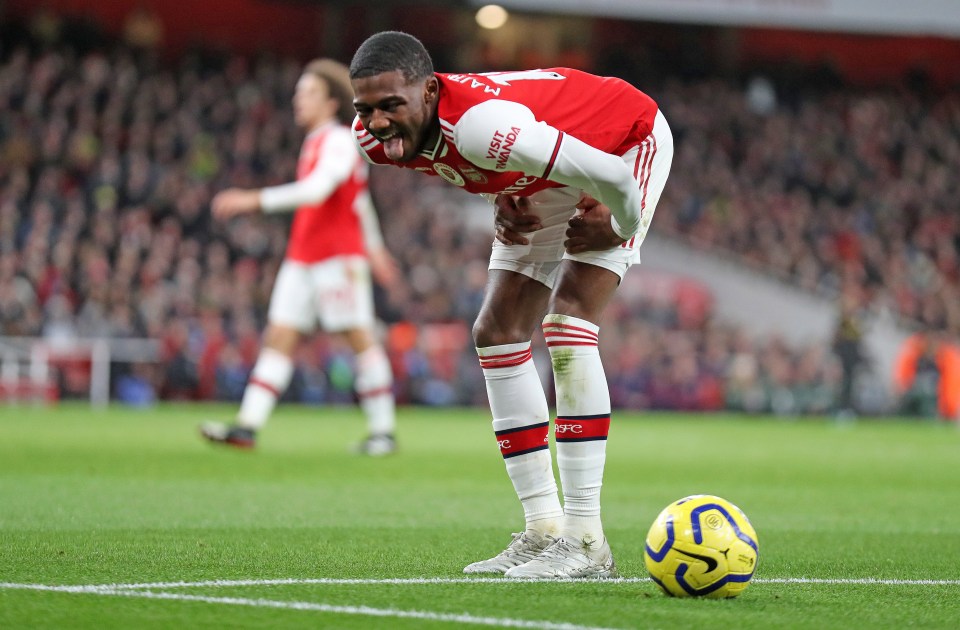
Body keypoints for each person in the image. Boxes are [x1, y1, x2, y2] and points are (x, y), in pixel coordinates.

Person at [349, 32, 673, 578]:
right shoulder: (375, 140)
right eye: (365, 109)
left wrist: (620, 224)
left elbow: (612, 176)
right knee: (497, 332)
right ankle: (543, 529)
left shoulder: (481, 125)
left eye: (389, 106)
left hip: (622, 142)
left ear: (429, 91)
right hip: (550, 160)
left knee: (568, 323)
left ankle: (586, 539)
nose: (376, 122)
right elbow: (480, 155)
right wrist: (501, 195)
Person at [201, 59, 400, 456]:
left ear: (330, 102)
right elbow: (359, 202)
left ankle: (383, 431)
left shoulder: (341, 140)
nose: (298, 99)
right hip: (302, 256)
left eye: (307, 92)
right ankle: (247, 427)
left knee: (357, 337)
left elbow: (317, 191)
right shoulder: (316, 142)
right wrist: (376, 247)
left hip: (335, 258)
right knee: (279, 336)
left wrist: (251, 199)